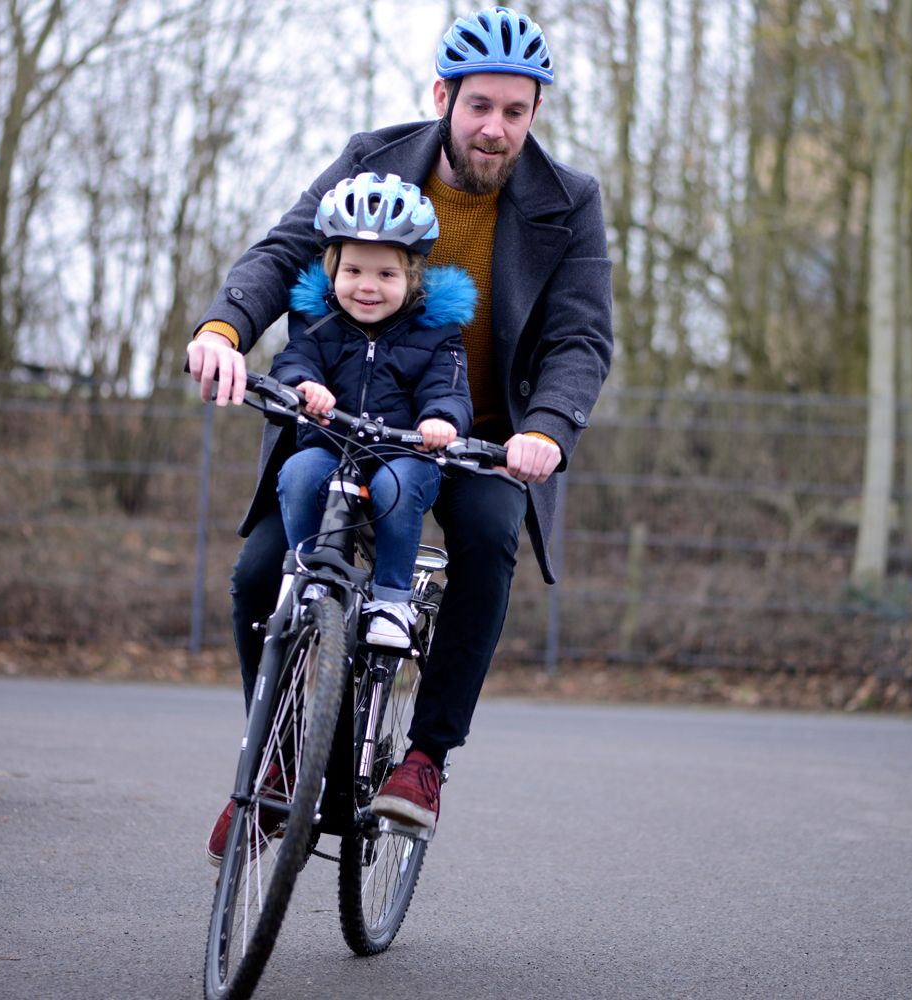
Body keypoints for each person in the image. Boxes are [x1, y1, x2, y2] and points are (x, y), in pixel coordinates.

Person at [187, 7, 613, 849]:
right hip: (345, 420)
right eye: (480, 106)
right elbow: (282, 253)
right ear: (443, 96)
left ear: (535, 113)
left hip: (475, 437)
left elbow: (580, 336)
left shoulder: (570, 203)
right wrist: (222, 330)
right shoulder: (371, 160)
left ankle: (424, 759)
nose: (496, 129)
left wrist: (552, 430)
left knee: (490, 543)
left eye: (516, 112)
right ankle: (280, 758)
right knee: (257, 572)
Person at [272, 172, 474, 649]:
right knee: (299, 472)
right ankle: (311, 579)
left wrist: (440, 420)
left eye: (386, 274)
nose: (367, 287)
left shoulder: (436, 332)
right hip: (332, 445)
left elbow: (449, 386)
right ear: (332, 270)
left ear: (412, 277)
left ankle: (391, 599)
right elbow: (295, 359)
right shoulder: (318, 320)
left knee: (395, 486)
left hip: (402, 454)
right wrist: (303, 387)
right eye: (354, 271)